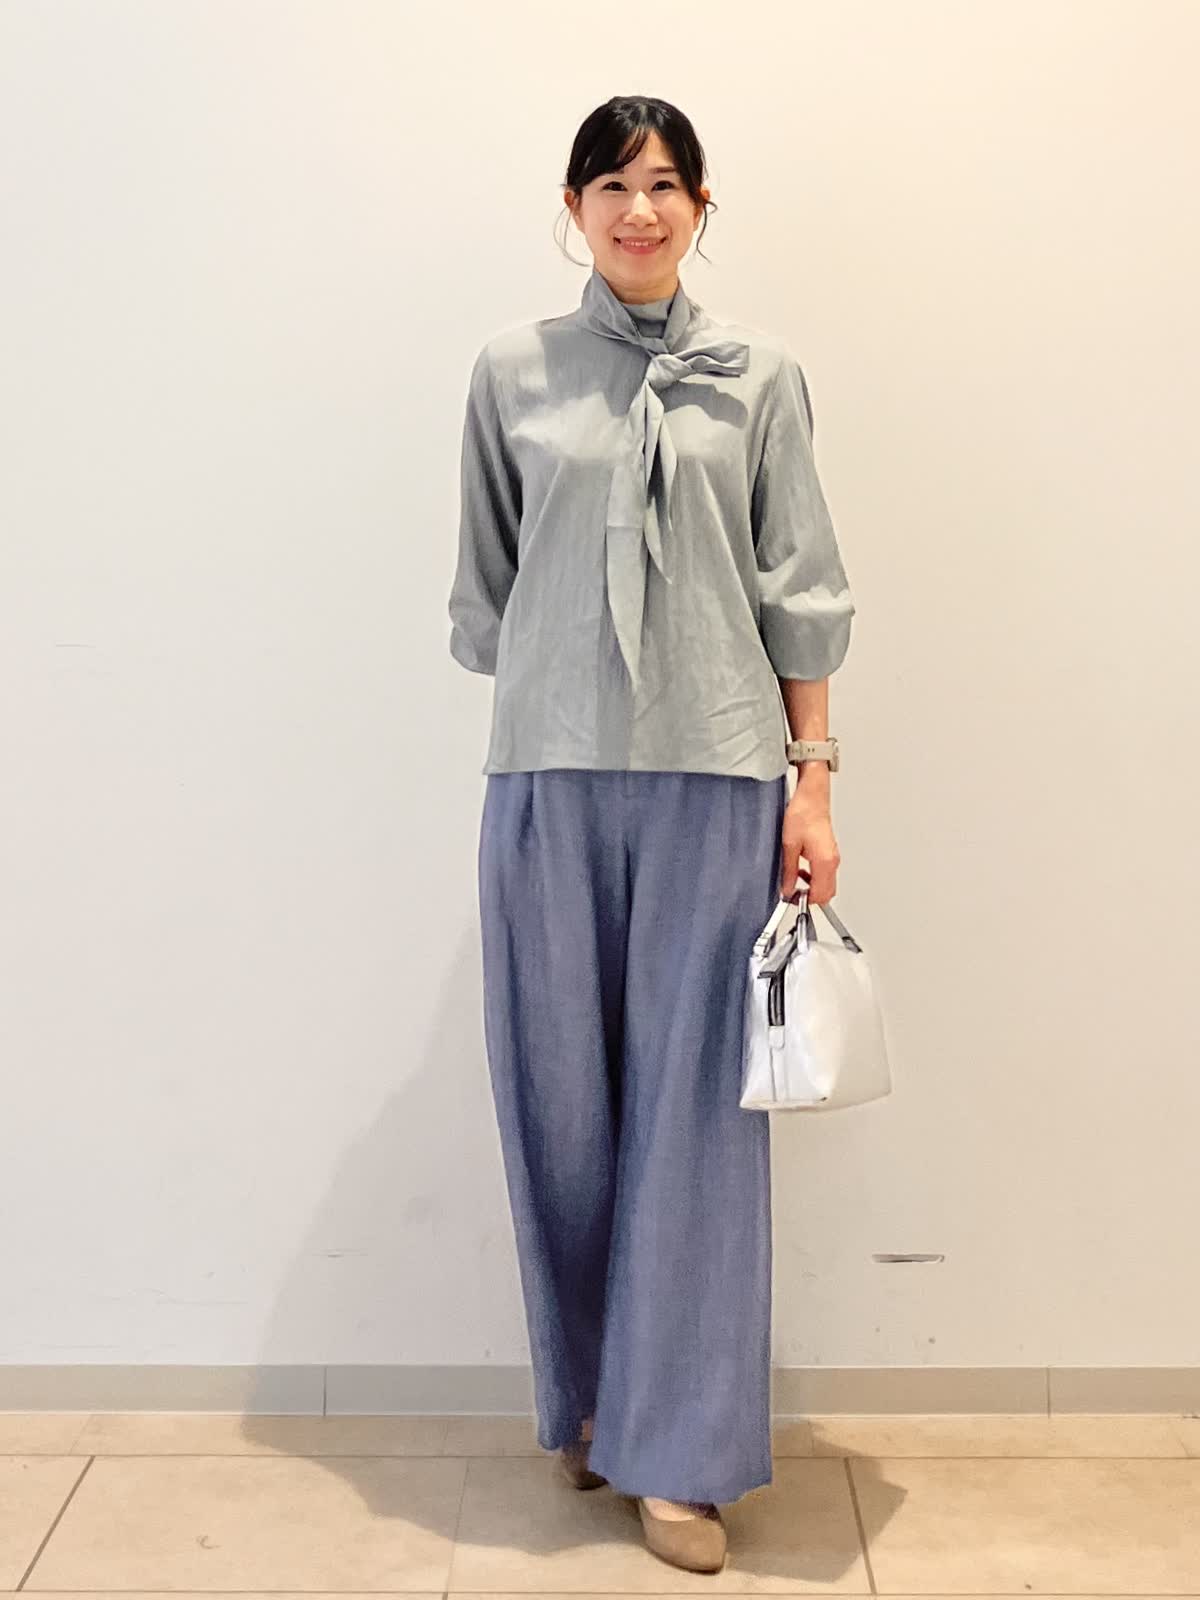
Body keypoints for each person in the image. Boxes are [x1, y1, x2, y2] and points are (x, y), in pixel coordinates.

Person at [447, 94, 855, 1574]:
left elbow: (801, 590)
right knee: (559, 1104)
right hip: (550, 777)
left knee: (696, 1127)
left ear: (702, 206)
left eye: (668, 183)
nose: (641, 208)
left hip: (718, 776)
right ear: (572, 208)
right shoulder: (509, 374)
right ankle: (593, 1407)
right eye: (613, 184)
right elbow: (488, 592)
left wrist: (813, 783)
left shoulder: (761, 379)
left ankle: (678, 1454)